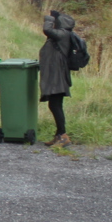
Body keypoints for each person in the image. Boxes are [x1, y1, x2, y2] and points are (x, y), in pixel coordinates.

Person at [39, 10, 77, 147]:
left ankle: (63, 135)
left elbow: (47, 30)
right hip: (57, 76)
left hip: (58, 78)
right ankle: (59, 135)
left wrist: (49, 18)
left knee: (55, 105)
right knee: (55, 105)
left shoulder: (63, 34)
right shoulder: (63, 35)